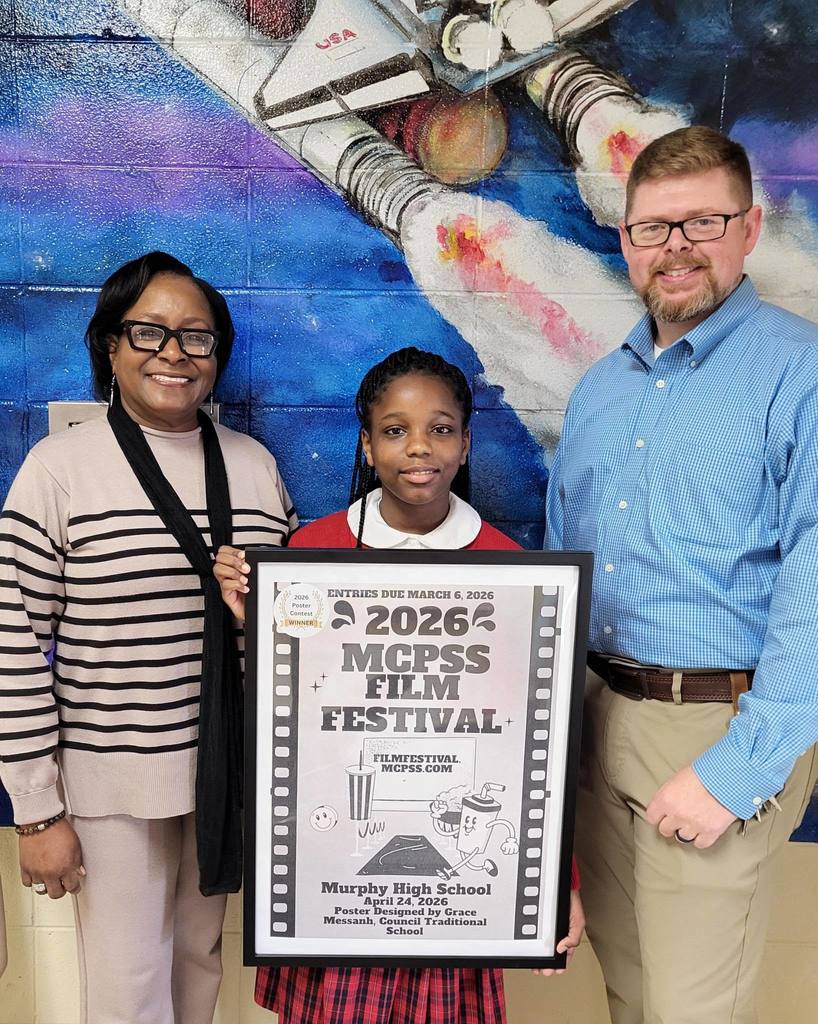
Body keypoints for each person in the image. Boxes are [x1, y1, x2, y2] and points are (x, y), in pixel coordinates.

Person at [545, 126, 818, 1024]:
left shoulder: (817, 381)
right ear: (623, 240)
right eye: (653, 228)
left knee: (689, 1011)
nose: (676, 248)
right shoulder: (599, 390)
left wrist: (737, 770)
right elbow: (560, 573)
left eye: (702, 222)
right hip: (596, 720)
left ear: (749, 229)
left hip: (710, 729)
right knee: (626, 989)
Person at [214, 346, 585, 1024]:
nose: (419, 448)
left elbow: (539, 742)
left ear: (466, 443)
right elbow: (292, 721)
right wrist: (256, 626)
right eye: (395, 430)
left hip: (453, 899)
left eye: (441, 429)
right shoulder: (313, 554)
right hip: (339, 875)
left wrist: (557, 883)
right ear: (366, 442)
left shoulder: (510, 571)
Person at [0, 251, 297, 1024]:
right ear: (109, 345)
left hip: (225, 776)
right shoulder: (59, 468)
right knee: (129, 986)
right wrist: (36, 810)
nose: (173, 354)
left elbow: (302, 637)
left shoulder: (255, 466)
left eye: (196, 337)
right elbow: (10, 641)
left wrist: (261, 612)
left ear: (217, 356)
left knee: (200, 967)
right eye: (149, 333)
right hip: (112, 784)